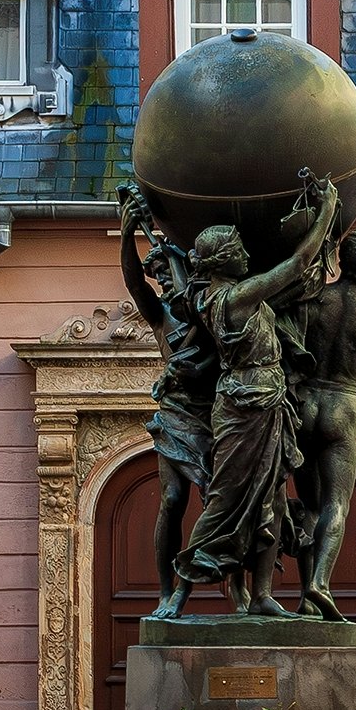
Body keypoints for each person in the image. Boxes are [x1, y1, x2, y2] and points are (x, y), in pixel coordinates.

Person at [173, 172, 343, 617]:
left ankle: (263, 594)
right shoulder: (233, 298)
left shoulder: (214, 296)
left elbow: (295, 282)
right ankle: (182, 587)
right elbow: (293, 265)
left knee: (272, 497)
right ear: (225, 260)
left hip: (266, 400)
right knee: (227, 497)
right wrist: (325, 210)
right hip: (246, 403)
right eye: (240, 250)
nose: (249, 254)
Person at [115, 180, 223, 622]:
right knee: (173, 499)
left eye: (165, 270)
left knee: (221, 503)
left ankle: (235, 592)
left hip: (217, 415)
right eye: (156, 273)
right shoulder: (162, 316)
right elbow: (132, 281)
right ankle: (167, 590)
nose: (159, 278)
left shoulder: (210, 307)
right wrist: (127, 234)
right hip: (176, 414)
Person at [283, 225, 356, 621]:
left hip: (304, 404)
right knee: (337, 503)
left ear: (342, 259)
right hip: (342, 405)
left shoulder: (313, 302)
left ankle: (305, 595)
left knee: (310, 504)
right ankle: (320, 583)